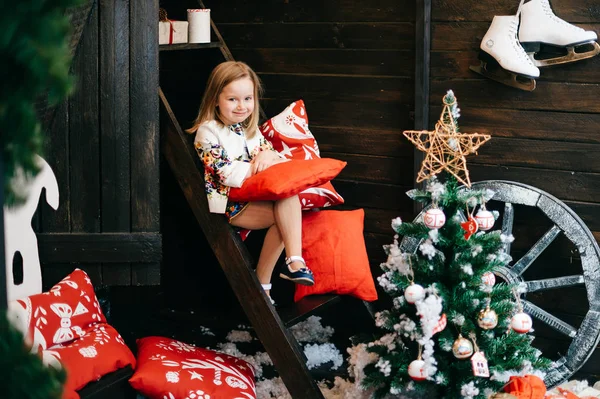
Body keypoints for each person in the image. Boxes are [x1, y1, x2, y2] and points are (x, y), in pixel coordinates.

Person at [187, 61, 314, 304]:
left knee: (289, 200)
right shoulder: (207, 132)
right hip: (231, 204)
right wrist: (257, 167)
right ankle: (271, 278)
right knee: (284, 215)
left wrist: (268, 155)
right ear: (216, 99)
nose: (242, 106)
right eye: (233, 99)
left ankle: (291, 264)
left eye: (248, 98)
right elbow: (223, 171)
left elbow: (273, 159)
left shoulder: (249, 130)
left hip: (256, 198)